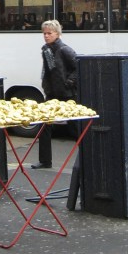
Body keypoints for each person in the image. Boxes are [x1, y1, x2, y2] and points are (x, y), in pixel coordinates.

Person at [32, 19, 78, 170]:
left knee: (75, 128)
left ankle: (88, 158)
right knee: (44, 125)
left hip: (67, 94)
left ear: (57, 34)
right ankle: (45, 161)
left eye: (49, 33)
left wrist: (69, 82)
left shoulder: (64, 49)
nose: (46, 36)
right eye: (44, 33)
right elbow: (48, 72)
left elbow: (78, 67)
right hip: (52, 93)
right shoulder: (46, 50)